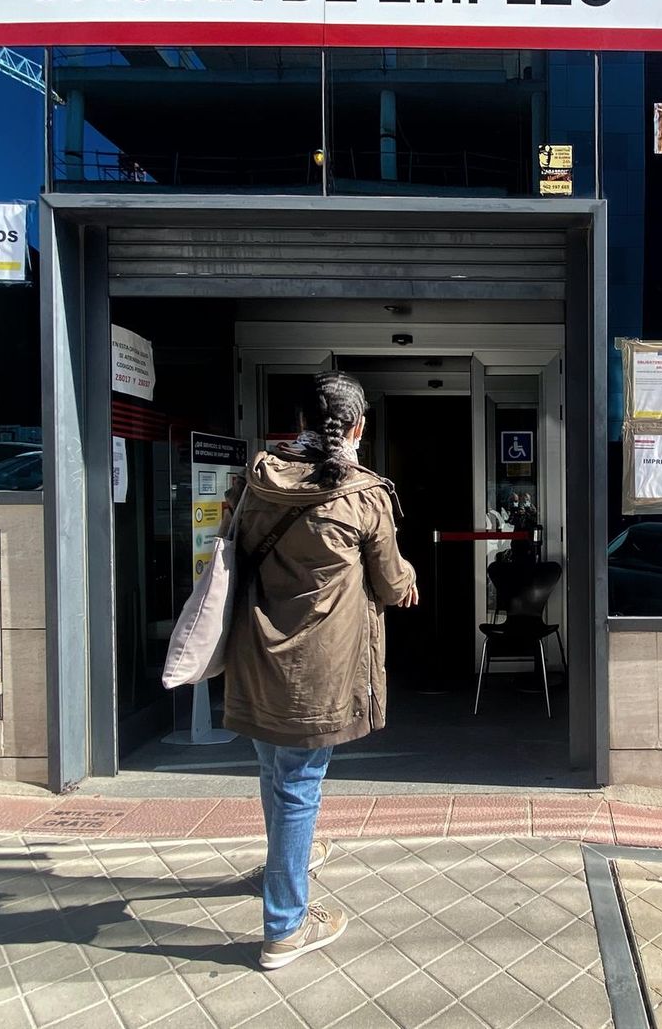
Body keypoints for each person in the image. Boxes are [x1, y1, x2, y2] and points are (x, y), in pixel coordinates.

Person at [223, 370, 418, 970]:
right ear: (358, 427)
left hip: (256, 653)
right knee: (299, 782)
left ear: (302, 423)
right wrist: (409, 583)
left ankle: (287, 863)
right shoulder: (364, 496)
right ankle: (285, 925)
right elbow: (390, 582)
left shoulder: (259, 481)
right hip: (320, 669)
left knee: (273, 769)